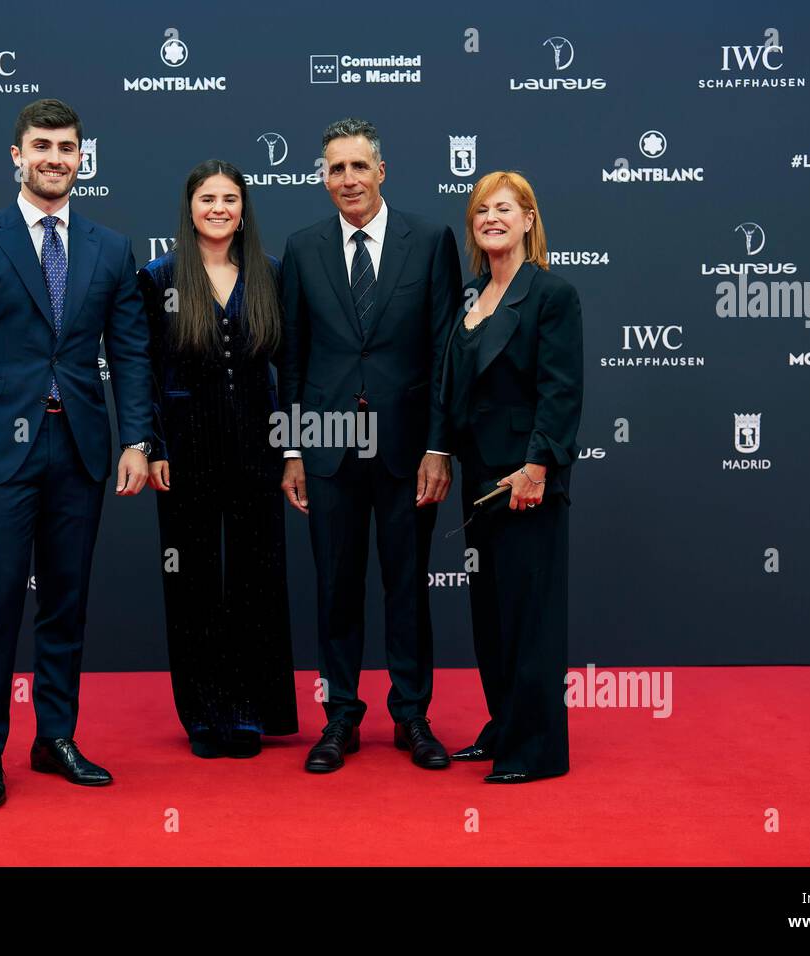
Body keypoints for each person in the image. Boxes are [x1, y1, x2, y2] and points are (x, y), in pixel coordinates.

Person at [0, 98, 153, 808]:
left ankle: (55, 736)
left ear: (82, 157)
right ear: (17, 156)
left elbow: (130, 351)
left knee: (65, 602)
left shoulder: (111, 248)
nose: (55, 157)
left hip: (81, 447)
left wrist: (137, 438)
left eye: (67, 146)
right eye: (41, 145)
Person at [278, 118, 462, 772]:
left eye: (358, 166)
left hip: (407, 450)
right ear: (323, 177)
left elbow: (446, 352)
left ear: (381, 171)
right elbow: (292, 358)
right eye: (335, 169)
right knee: (336, 588)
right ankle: (342, 718)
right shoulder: (302, 249)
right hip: (327, 447)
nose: (348, 179)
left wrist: (439, 446)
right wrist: (292, 451)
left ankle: (411, 715)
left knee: (407, 588)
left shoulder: (431, 241)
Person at [137, 159, 298, 758]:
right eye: (207, 198)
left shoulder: (270, 275)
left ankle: (253, 708)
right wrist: (151, 445)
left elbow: (291, 367)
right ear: (189, 207)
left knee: (258, 577)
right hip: (185, 451)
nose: (219, 209)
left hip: (261, 448)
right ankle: (205, 712)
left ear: (244, 209)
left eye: (230, 198)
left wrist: (293, 448)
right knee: (194, 580)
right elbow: (143, 370)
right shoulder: (157, 278)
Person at [440, 170, 583, 783]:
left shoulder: (551, 295)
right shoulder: (471, 297)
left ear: (528, 219)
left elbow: (561, 390)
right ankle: (504, 727)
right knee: (492, 612)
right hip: (480, 479)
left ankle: (536, 749)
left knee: (531, 615)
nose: (491, 218)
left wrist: (537, 466)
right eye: (481, 211)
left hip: (526, 479)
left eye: (504, 209)